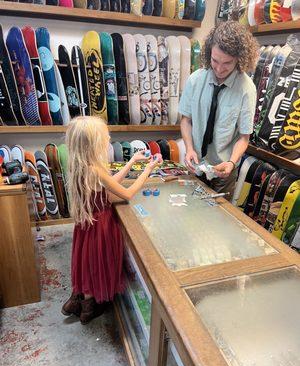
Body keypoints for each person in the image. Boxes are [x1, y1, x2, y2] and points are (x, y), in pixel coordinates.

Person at [61, 116, 161, 324]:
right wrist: (148, 170)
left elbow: (109, 184)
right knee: (98, 264)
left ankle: (79, 299)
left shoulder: (80, 166)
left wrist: (132, 162)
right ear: (95, 144)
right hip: (102, 226)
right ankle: (88, 309)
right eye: (105, 138)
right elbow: (127, 193)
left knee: (85, 263)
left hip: (86, 226)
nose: (108, 140)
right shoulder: (97, 170)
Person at [179, 21, 258, 200]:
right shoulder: (195, 80)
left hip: (225, 171)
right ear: (209, 53)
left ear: (240, 59)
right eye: (215, 60)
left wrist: (231, 162)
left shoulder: (247, 88)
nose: (220, 68)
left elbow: (244, 137)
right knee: (190, 212)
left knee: (220, 220)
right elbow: (186, 120)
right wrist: (189, 148)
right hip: (196, 164)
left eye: (227, 63)